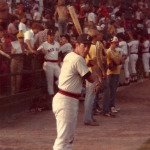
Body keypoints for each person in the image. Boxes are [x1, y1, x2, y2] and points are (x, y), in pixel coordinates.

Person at [52, 34, 98, 150]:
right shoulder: (78, 59)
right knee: (63, 140)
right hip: (66, 100)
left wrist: (87, 64)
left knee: (68, 139)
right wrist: (96, 72)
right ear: (76, 45)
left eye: (88, 46)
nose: (86, 49)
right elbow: (91, 79)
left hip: (66, 99)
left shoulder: (70, 55)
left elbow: (75, 69)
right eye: (84, 45)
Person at [103, 36, 125, 116]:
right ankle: (109, 107)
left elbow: (121, 61)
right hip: (110, 73)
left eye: (116, 42)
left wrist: (119, 61)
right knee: (110, 91)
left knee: (114, 91)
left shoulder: (116, 51)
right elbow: (117, 61)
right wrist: (118, 61)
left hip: (116, 72)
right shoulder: (109, 51)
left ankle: (112, 105)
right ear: (111, 43)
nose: (116, 44)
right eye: (115, 43)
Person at [37, 29, 61, 101]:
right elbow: (37, 51)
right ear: (47, 36)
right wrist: (42, 51)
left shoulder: (57, 43)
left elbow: (59, 54)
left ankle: (57, 86)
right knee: (49, 81)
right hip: (48, 63)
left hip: (56, 63)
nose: (52, 37)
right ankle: (51, 97)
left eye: (53, 35)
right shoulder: (44, 44)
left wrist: (59, 62)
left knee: (62, 77)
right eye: (50, 35)